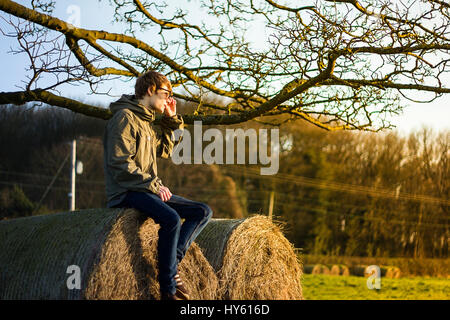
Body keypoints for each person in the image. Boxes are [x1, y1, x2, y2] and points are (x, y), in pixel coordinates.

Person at [103, 70, 213, 300]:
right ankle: (168, 290)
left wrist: (171, 121)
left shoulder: (147, 123)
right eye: (166, 93)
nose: (169, 98)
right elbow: (119, 164)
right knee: (171, 218)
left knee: (202, 211)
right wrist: (153, 184)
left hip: (145, 187)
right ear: (150, 90)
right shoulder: (124, 117)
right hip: (127, 190)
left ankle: (171, 262)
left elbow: (165, 150)